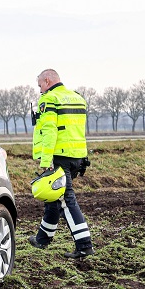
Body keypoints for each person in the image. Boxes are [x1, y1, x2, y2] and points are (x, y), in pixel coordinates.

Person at [28, 69, 94, 258]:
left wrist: (46, 160)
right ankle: (43, 239)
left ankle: (84, 245)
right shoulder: (77, 98)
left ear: (47, 80)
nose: (40, 90)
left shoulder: (49, 99)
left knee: (66, 200)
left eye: (40, 85)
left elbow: (50, 132)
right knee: (54, 197)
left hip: (59, 157)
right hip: (77, 157)